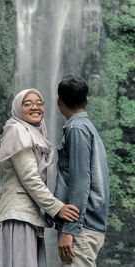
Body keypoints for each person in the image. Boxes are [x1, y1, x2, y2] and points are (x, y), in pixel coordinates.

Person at [0, 88, 79, 267]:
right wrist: (56, 207)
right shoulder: (18, 131)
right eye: (27, 103)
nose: (35, 107)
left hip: (27, 217)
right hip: (18, 217)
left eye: (39, 103)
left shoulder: (33, 132)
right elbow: (29, 178)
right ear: (17, 108)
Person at [54, 75, 109, 267]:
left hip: (81, 228)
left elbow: (80, 181)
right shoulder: (87, 127)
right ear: (87, 100)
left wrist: (70, 229)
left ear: (59, 102)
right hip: (88, 224)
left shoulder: (77, 129)